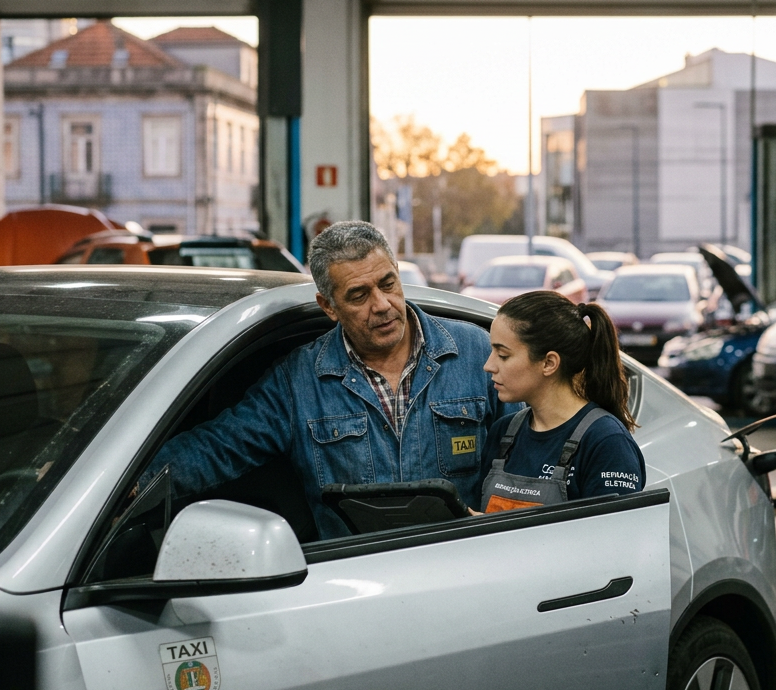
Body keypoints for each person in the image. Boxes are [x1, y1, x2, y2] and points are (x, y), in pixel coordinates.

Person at [143, 221, 511, 539]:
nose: (381, 304)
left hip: (463, 571)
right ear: (328, 307)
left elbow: (528, 444)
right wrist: (128, 486)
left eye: (388, 284)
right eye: (359, 295)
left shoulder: (475, 351)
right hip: (348, 590)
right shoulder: (298, 380)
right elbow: (217, 448)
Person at [477, 291, 644, 513]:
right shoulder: (503, 433)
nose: (489, 365)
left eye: (503, 355)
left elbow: (614, 541)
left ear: (549, 363)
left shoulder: (607, 442)